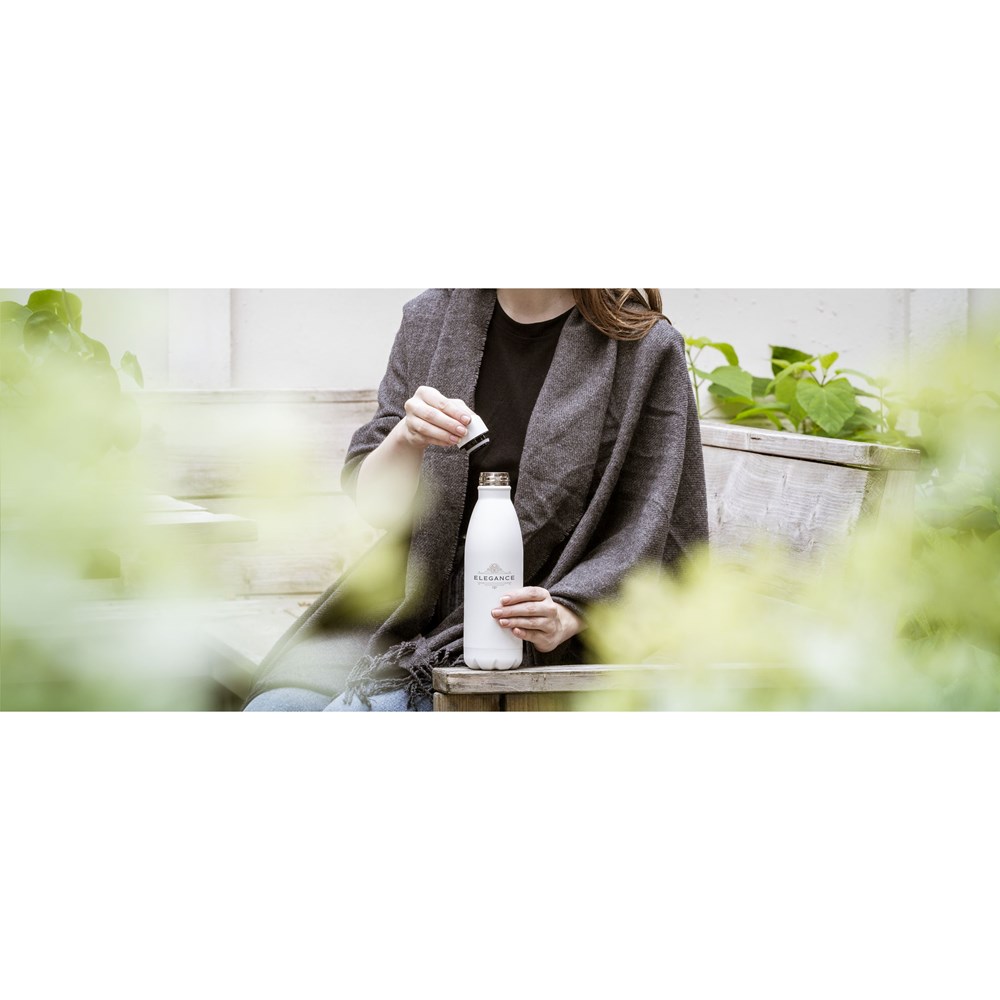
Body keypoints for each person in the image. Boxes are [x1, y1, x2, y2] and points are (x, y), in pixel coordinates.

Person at [243, 288, 709, 711]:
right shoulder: (431, 319)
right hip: (407, 613)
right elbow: (376, 506)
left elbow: (660, 524)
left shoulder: (644, 347)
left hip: (535, 633)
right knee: (273, 711)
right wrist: (408, 436)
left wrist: (570, 613)